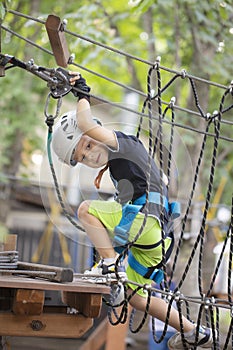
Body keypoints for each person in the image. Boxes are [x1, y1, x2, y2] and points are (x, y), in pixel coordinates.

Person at [51, 72, 214, 349]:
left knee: (86, 209)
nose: (90, 155)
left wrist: (81, 92)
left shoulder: (120, 143)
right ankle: (194, 330)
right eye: (82, 158)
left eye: (89, 144)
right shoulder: (119, 168)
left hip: (146, 224)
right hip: (157, 240)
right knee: (136, 296)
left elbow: (85, 123)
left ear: (98, 133)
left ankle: (110, 265)